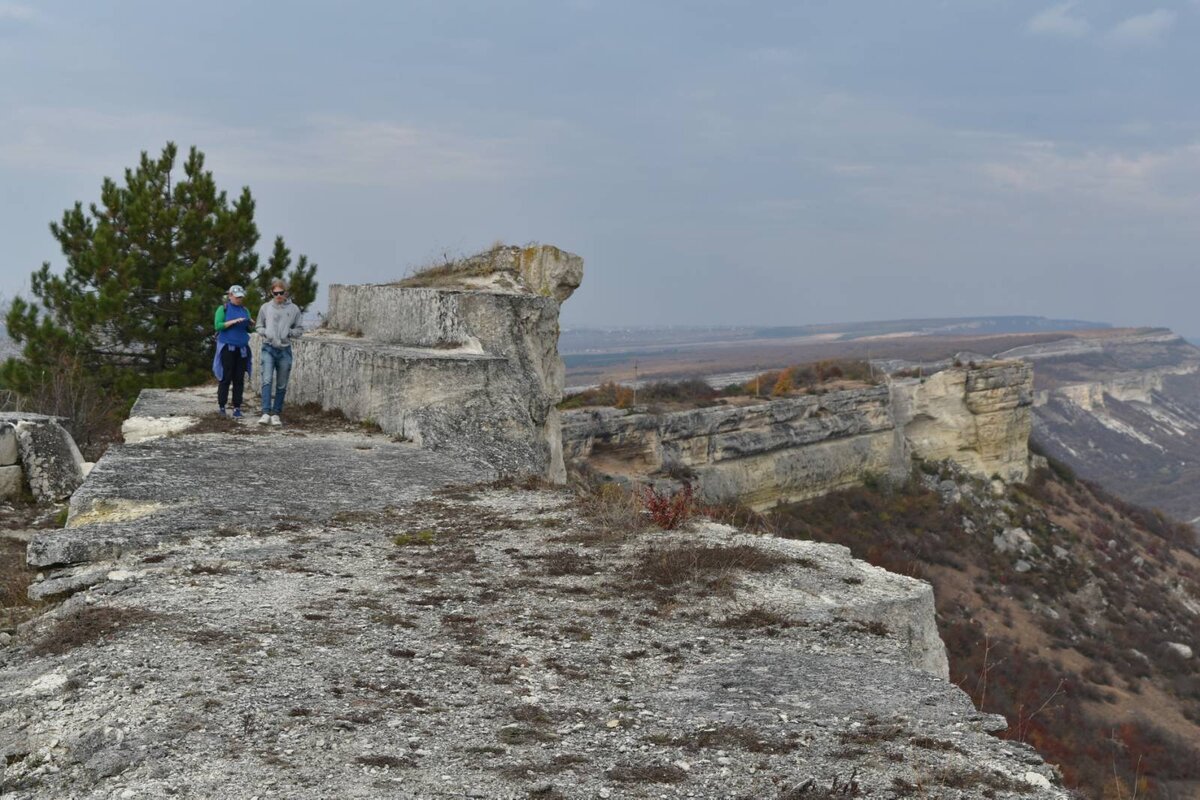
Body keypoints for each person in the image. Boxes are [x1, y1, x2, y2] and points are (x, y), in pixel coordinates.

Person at [256, 278, 304, 425]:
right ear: (271, 292)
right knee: (267, 380)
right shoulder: (265, 307)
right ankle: (265, 412)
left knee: (282, 384)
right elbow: (258, 326)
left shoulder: (294, 309)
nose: (278, 296)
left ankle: (276, 413)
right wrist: (266, 332)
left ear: (286, 293)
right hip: (268, 347)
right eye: (275, 293)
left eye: (281, 293)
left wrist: (288, 332)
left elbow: (300, 329)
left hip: (284, 350)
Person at [213, 285, 254, 418]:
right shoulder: (223, 309)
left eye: (241, 297)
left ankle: (237, 407)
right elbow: (218, 325)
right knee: (226, 378)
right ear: (230, 296)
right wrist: (233, 321)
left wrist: (250, 324)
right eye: (236, 297)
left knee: (239, 379)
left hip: (242, 349)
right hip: (228, 347)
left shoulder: (245, 310)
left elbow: (248, 330)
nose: (239, 299)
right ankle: (222, 407)